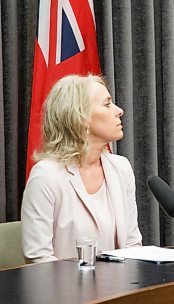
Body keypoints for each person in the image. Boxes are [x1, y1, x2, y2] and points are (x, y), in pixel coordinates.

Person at [21, 75, 142, 263]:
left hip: (121, 288)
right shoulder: (46, 176)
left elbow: (133, 245)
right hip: (65, 290)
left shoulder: (121, 168)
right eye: (107, 104)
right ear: (81, 117)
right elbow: (38, 258)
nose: (119, 111)